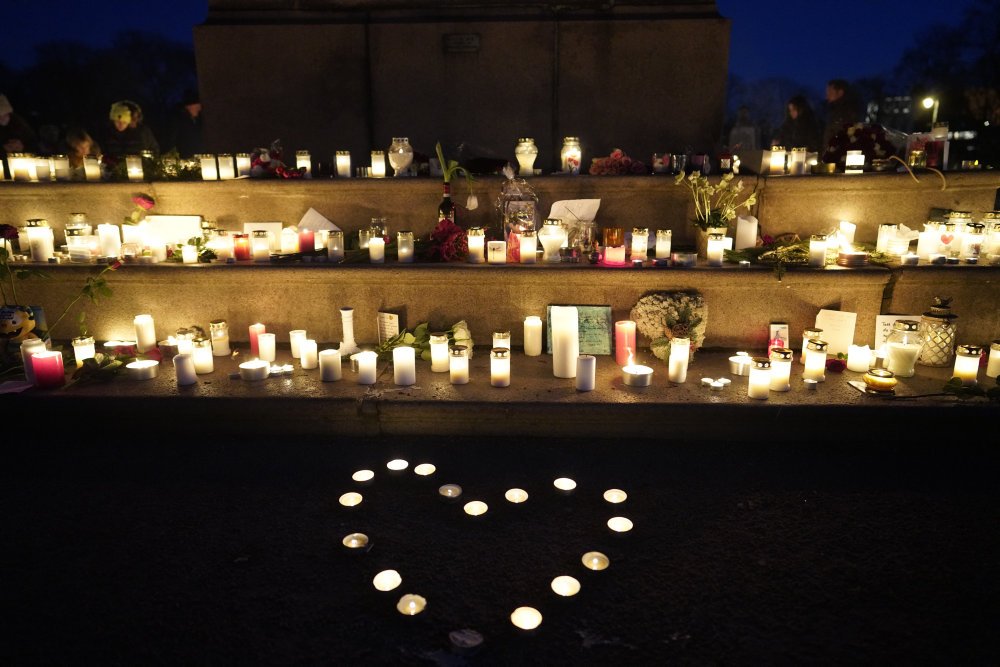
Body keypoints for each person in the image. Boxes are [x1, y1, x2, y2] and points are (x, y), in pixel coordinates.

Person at [822, 79, 860, 151]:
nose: (827, 96)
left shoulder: (847, 111)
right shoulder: (833, 111)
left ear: (840, 92)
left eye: (830, 92)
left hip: (839, 156)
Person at [168, 88, 204, 158]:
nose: (199, 108)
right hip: (185, 156)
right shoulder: (179, 120)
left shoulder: (198, 119)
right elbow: (173, 138)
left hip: (198, 156)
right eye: (196, 106)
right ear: (189, 107)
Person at [0, 93, 38, 159]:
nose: (2, 118)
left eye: (4, 115)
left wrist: (22, 147)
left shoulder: (19, 124)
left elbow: (34, 145)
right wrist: (3, 149)